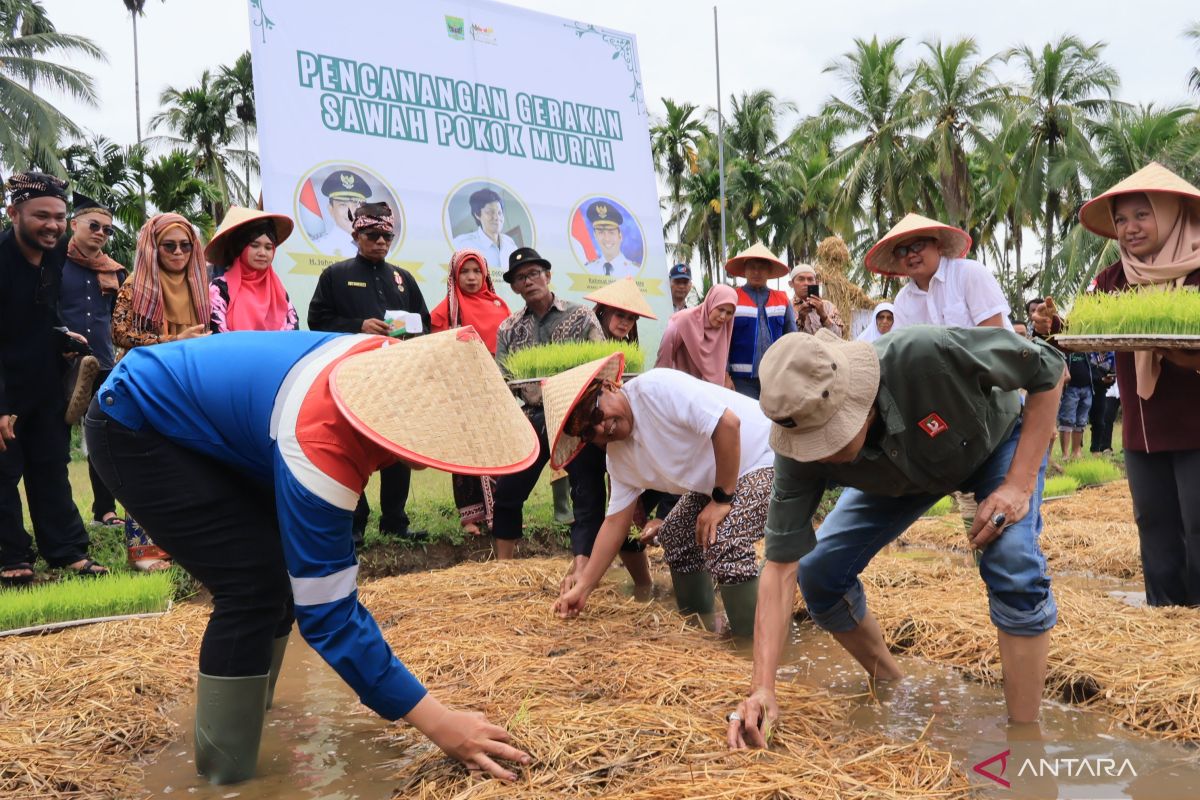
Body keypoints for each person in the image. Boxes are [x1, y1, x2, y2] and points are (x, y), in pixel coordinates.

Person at [84, 328, 540, 785]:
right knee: (250, 586)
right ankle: (226, 778)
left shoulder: (385, 370)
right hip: (137, 422)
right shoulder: (323, 443)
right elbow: (329, 615)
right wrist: (441, 724)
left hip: (223, 429)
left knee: (277, 571)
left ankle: (250, 714)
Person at [727, 327, 1066, 748]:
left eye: (827, 439)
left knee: (1012, 561)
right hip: (897, 478)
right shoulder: (799, 448)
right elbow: (780, 567)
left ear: (857, 402)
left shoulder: (926, 354)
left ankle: (1024, 737)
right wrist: (762, 687)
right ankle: (894, 683)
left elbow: (1049, 367)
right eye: (810, 446)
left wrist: (1018, 484)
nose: (820, 455)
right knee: (820, 572)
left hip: (992, 446)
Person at [1035, 162, 1200, 606]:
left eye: (1142, 215)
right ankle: (1164, 615)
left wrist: (1183, 356)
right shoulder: (1113, 279)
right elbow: (1084, 333)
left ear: (1171, 213)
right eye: (1122, 219)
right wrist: (1053, 327)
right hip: (1142, 430)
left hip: (1195, 425)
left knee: (1198, 523)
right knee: (1153, 523)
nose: (1130, 228)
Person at [552, 354, 777, 637]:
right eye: (588, 431)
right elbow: (615, 523)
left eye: (596, 414)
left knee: (724, 536)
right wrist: (584, 587)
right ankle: (701, 630)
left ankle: (753, 642)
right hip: (722, 480)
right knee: (676, 534)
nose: (600, 427)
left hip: (769, 456)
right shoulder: (618, 459)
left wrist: (721, 500)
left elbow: (728, 424)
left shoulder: (657, 389)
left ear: (609, 387)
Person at [0, 172, 108, 585]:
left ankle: (67, 551)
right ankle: (12, 556)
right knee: (3, 472)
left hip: (43, 379)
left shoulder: (54, 255)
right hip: (5, 384)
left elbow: (42, 312)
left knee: (51, 465)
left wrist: (62, 335)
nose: (52, 225)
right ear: (14, 213)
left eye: (59, 217)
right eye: (41, 216)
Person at [308, 203, 430, 543]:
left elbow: (425, 322)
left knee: (398, 447)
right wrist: (358, 326)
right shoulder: (335, 275)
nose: (380, 242)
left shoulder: (403, 278)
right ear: (356, 235)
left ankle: (395, 521)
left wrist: (408, 330)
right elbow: (317, 320)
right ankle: (354, 523)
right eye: (373, 235)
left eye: (387, 237)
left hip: (397, 376)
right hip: (352, 375)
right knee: (351, 446)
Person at [112, 213, 212, 571]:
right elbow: (120, 333)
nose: (179, 252)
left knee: (187, 464)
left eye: (186, 245)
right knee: (145, 463)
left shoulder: (200, 285)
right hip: (145, 384)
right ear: (153, 248)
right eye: (169, 246)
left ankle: (186, 547)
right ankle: (144, 551)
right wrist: (172, 340)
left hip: (188, 384)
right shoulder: (136, 285)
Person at [492, 247, 604, 560]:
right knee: (508, 491)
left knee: (587, 492)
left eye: (533, 273)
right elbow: (503, 379)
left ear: (548, 275)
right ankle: (502, 568)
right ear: (515, 287)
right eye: (520, 278)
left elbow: (600, 365)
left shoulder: (580, 316)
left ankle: (585, 565)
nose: (528, 281)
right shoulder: (509, 328)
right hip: (533, 416)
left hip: (576, 415)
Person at [430, 248, 512, 536]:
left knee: (499, 449)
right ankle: (470, 518)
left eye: (477, 271)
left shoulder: (500, 306)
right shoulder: (444, 311)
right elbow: (439, 353)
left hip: (495, 391)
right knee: (466, 452)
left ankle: (502, 513)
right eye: (464, 271)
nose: (472, 277)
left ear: (486, 274)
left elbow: (509, 351)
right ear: (454, 275)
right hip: (461, 392)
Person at [59, 192, 127, 527]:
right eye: (94, 226)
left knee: (103, 438)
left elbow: (119, 320)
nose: (101, 233)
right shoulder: (53, 262)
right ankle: (59, 519)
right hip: (58, 363)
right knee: (55, 443)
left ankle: (105, 511)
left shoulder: (116, 272)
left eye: (107, 229)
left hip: (102, 365)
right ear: (74, 225)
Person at [868, 213, 1013, 331]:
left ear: (938, 245)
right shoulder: (903, 300)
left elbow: (993, 336)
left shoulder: (969, 273)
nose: (910, 255)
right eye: (902, 251)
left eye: (918, 245)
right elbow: (905, 347)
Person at [206, 207, 299, 333]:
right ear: (241, 248)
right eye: (255, 246)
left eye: (268, 247)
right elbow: (219, 335)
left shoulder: (279, 291)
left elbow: (293, 334)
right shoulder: (219, 290)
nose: (262, 253)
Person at [724, 243, 798, 399]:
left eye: (762, 268)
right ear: (744, 271)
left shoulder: (783, 299)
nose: (756, 272)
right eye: (752, 267)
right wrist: (725, 374)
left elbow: (792, 339)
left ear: (769, 271)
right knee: (745, 414)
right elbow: (723, 341)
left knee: (772, 415)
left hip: (775, 377)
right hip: (741, 380)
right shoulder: (732, 298)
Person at [655, 284, 737, 386]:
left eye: (729, 313)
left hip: (711, 390)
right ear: (711, 303)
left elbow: (720, 363)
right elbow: (664, 356)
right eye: (720, 309)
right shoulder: (684, 320)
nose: (723, 317)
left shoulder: (724, 328)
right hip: (682, 387)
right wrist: (659, 383)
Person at [451, 187, 518, 272]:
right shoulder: (461, 244)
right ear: (477, 215)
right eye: (490, 212)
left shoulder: (510, 244)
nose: (496, 217)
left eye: (499, 212)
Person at [312, 169, 370, 258]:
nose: (351, 212)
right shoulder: (319, 246)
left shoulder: (378, 249)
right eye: (343, 205)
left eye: (356, 204)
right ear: (331, 210)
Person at [586, 276, 657, 344]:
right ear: (605, 312)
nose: (625, 323)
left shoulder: (627, 346)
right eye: (620, 315)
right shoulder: (585, 339)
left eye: (631, 318)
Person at [583, 202, 639, 277]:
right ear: (595, 236)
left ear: (620, 235)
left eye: (611, 232)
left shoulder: (635, 271)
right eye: (601, 232)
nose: (607, 238)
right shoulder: (587, 270)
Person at [1057, 350, 1093, 460]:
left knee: (1081, 422)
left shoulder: (1086, 350)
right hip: (1070, 388)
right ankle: (1065, 454)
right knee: (1067, 421)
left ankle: (1076, 452)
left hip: (1087, 388)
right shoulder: (1066, 350)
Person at [788, 263, 842, 336]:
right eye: (801, 279)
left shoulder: (829, 307)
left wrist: (824, 316)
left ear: (816, 283)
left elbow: (839, 336)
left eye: (810, 279)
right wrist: (800, 319)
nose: (806, 283)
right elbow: (786, 338)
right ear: (791, 284)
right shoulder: (787, 307)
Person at [1087, 351, 1118, 454]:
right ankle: (1076, 449)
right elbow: (1087, 372)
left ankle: (1096, 449)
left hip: (1101, 391)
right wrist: (1100, 379)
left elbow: (1113, 373)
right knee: (1080, 420)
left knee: (1099, 422)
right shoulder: (1089, 354)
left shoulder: (1111, 356)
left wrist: (1110, 380)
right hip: (1086, 388)